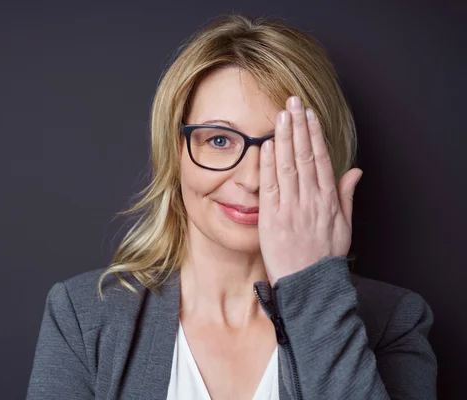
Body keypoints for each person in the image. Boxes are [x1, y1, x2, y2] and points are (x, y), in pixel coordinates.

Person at [25, 14, 437, 400]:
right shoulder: (82, 316)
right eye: (219, 140)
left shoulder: (393, 322)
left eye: (281, 144)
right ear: (176, 150)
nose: (252, 179)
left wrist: (310, 288)